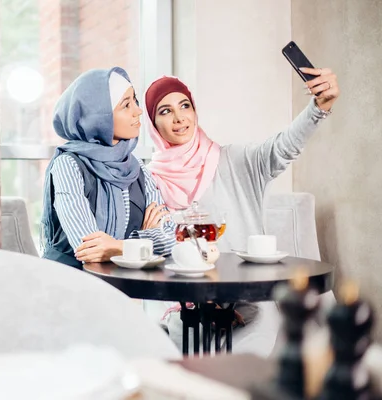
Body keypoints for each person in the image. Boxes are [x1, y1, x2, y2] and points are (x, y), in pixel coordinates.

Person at [144, 67, 340, 356]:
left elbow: (282, 148)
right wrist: (148, 237)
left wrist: (318, 108)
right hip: (187, 306)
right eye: (165, 110)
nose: (179, 117)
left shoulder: (234, 162)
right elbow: (156, 253)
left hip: (248, 303)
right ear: (152, 124)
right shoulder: (149, 182)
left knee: (247, 355)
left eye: (184, 105)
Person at [40, 67, 176, 269]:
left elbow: (171, 239)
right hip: (69, 285)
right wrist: (144, 240)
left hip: (120, 286)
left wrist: (117, 246)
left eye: (134, 101)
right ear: (98, 117)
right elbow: (88, 248)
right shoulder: (68, 165)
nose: (138, 111)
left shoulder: (137, 168)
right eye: (126, 105)